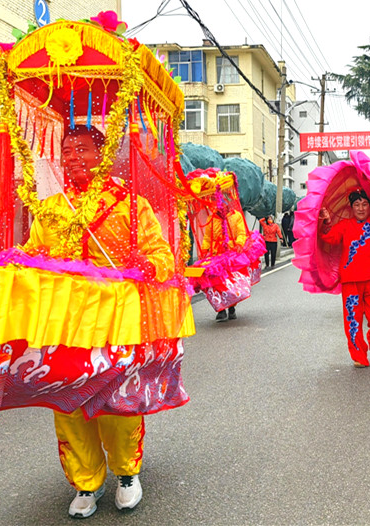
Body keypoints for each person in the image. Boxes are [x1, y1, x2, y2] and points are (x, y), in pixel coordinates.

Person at [24, 126, 174, 517]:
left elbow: (161, 254)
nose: (72, 157)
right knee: (68, 404)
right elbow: (33, 254)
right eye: (67, 150)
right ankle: (86, 480)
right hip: (64, 323)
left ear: (103, 155)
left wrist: (146, 265)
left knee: (118, 401)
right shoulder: (52, 207)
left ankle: (126, 473)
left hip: (116, 320)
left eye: (82, 149)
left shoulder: (130, 204)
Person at [319, 188, 370, 367]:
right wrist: (326, 221)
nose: (361, 208)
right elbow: (329, 237)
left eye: (364, 204)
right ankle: (359, 356)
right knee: (353, 321)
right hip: (351, 280)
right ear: (351, 208)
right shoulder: (345, 225)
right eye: (356, 205)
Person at [201, 206, 248, 322]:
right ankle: (221, 309)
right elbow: (207, 237)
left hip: (231, 254)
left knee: (230, 282)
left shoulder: (236, 216)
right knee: (216, 282)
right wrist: (204, 250)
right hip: (215, 255)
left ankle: (231, 307)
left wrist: (238, 244)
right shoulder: (212, 218)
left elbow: (241, 233)